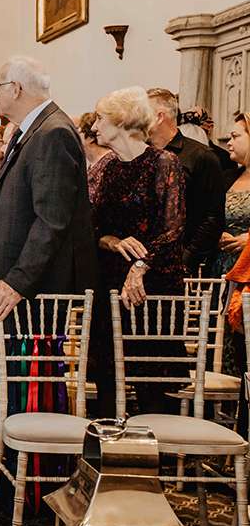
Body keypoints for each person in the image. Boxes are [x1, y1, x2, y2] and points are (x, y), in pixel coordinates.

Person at [0, 55, 97, 324]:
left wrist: (17, 282)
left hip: (32, 293)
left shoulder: (53, 133)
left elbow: (52, 219)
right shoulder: (34, 130)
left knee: (24, 354)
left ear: (15, 88)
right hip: (17, 289)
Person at [89, 86, 186, 415]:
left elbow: (173, 229)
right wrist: (114, 242)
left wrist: (140, 266)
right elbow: (91, 229)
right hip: (110, 283)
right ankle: (106, 442)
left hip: (153, 285)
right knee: (106, 380)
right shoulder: (106, 168)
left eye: (100, 118)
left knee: (151, 386)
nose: (94, 126)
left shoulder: (164, 162)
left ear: (121, 120)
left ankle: (155, 443)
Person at [147, 87, 224, 274]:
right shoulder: (142, 155)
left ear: (159, 117)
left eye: (142, 113)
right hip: (143, 258)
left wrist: (186, 260)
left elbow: (212, 217)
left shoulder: (201, 156)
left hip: (182, 263)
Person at [216, 112, 250, 278]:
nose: (229, 142)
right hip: (223, 268)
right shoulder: (226, 178)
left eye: (235, 136)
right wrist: (216, 235)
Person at [77, 111, 115, 205]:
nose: (76, 135)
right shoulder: (93, 163)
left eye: (79, 131)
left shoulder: (109, 162)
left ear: (90, 137)